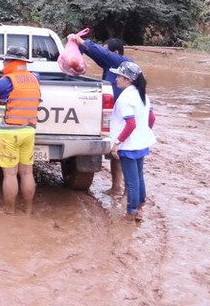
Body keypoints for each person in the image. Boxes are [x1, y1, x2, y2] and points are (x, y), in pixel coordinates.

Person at [0, 46, 41, 215]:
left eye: (5, 60)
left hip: (9, 133)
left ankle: (9, 212)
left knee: (10, 175)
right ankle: (28, 211)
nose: (3, 63)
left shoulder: (6, 81)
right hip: (29, 131)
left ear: (11, 61)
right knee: (27, 173)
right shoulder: (35, 78)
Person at [67, 33, 136, 189]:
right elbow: (98, 55)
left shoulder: (125, 62)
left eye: (107, 50)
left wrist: (83, 42)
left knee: (123, 154)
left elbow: (101, 54)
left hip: (125, 117)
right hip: (114, 116)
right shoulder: (110, 66)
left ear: (116, 53)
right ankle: (116, 187)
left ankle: (128, 191)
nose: (104, 53)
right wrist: (81, 47)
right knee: (115, 154)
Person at [108, 61, 156, 222]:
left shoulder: (125, 98)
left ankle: (131, 212)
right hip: (140, 142)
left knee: (131, 180)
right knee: (139, 176)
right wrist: (144, 132)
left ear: (128, 79)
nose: (116, 79)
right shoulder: (143, 95)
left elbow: (130, 124)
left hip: (128, 144)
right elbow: (151, 118)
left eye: (119, 76)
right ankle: (140, 207)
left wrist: (117, 143)